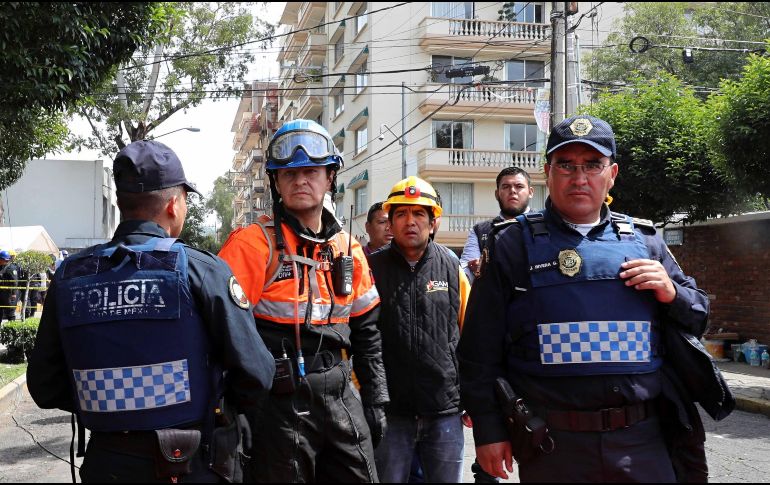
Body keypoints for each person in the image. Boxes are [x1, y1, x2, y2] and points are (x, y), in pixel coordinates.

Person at [457, 115, 713, 482]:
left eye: (593, 164)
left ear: (612, 174)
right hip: (553, 446)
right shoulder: (511, 245)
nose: (579, 178)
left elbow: (699, 315)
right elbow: (478, 351)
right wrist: (489, 431)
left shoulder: (646, 241)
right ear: (548, 172)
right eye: (566, 165)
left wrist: (672, 294)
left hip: (642, 441)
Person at [27, 139, 276, 483]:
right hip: (188, 464)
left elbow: (44, 386)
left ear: (121, 202)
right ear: (173, 204)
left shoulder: (70, 276)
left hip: (106, 464)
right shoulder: (202, 270)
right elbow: (258, 373)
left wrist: (110, 407)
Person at [218, 119, 388, 483]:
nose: (300, 181)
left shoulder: (348, 247)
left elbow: (367, 332)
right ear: (276, 182)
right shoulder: (252, 245)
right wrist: (236, 410)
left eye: (311, 172)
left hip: (339, 392)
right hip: (277, 401)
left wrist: (376, 399)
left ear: (330, 178)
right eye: (289, 174)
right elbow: (222, 336)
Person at [368, 176, 471, 483]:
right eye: (401, 214)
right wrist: (366, 394)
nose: (410, 221)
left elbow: (471, 336)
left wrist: (474, 396)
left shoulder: (452, 267)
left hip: (444, 411)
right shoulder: (370, 270)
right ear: (390, 223)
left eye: (418, 214)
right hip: (389, 412)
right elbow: (356, 337)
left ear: (433, 222)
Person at [460, 167, 533, 283]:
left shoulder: (546, 225)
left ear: (530, 192)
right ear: (497, 194)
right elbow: (465, 273)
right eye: (506, 187)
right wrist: (475, 268)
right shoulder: (480, 231)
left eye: (519, 186)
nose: (512, 191)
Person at [0, 250, 19, 323]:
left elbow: (15, 281)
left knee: (10, 312)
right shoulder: (1, 266)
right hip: (2, 292)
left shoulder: (11, 268)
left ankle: (11, 327)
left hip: (9, 293)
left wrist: (13, 293)